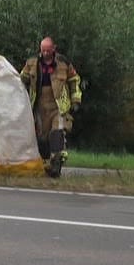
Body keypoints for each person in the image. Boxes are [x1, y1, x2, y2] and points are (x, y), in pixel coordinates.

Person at [20, 36, 83, 177]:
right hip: (39, 106)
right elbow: (22, 80)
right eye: (43, 50)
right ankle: (46, 164)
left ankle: (56, 166)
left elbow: (74, 81)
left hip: (58, 106)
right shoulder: (31, 63)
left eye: (48, 50)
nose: (46, 53)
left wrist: (76, 100)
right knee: (42, 138)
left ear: (54, 49)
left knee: (57, 133)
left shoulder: (63, 63)